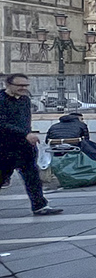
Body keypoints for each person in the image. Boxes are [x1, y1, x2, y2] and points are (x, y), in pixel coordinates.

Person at [0, 73, 62, 215]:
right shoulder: (1, 100)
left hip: (24, 147)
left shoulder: (25, 100)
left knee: (33, 178)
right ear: (8, 85)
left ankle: (39, 206)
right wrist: (25, 134)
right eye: (20, 85)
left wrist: (29, 136)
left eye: (26, 85)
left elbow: (25, 122)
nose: (23, 88)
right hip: (4, 147)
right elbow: (2, 124)